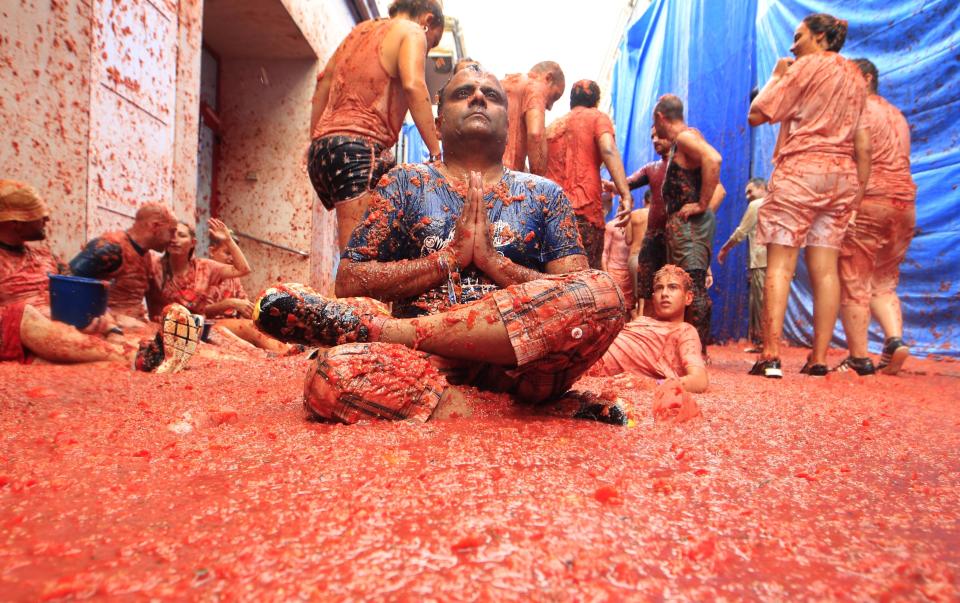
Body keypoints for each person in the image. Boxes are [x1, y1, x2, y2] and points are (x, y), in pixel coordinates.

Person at [253, 66, 628, 425]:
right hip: (423, 363)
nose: (478, 97)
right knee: (328, 375)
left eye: (492, 96)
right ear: (437, 123)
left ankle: (379, 330)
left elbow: (580, 296)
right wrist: (445, 260)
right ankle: (525, 414)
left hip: (524, 365)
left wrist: (497, 264)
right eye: (464, 93)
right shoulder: (404, 183)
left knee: (606, 295)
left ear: (508, 123)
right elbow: (349, 280)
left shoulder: (545, 194)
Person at [748, 13, 870, 378]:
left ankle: (770, 355)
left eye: (798, 36)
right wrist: (858, 195)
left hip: (801, 171)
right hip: (841, 177)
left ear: (819, 37)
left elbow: (758, 112)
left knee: (781, 265)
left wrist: (777, 75)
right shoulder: (856, 77)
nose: (792, 45)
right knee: (826, 270)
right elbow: (862, 142)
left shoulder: (803, 67)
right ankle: (818, 359)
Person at [0, 180, 196, 372]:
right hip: (21, 334)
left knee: (105, 365)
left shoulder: (46, 256)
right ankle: (136, 358)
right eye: (39, 215)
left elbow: (80, 292)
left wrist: (110, 328)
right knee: (24, 313)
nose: (47, 219)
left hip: (66, 335)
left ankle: (136, 358)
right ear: (16, 223)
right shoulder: (111, 247)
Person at [309, 0, 445, 250]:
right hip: (359, 150)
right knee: (358, 258)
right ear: (427, 21)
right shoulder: (412, 31)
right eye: (432, 44)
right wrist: (436, 151)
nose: (427, 51)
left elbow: (323, 81)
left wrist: (314, 139)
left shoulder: (359, 31)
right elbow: (414, 85)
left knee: (375, 248)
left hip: (322, 152)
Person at [836, 58, 917, 376]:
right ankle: (894, 341)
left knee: (855, 280)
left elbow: (856, 157)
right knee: (884, 279)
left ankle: (858, 357)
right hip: (905, 204)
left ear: (867, 78)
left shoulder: (858, 111)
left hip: (870, 200)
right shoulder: (897, 115)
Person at [149, 220, 295, 355]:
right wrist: (228, 303)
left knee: (253, 329)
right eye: (172, 235)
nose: (175, 239)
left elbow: (244, 270)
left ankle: (289, 352)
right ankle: (280, 355)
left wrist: (228, 240)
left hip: (206, 326)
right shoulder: (154, 266)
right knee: (235, 337)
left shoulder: (205, 267)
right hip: (183, 326)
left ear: (192, 243)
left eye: (181, 235)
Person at [653, 94, 723, 354]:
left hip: (690, 228)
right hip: (683, 229)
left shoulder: (684, 137)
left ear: (660, 117)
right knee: (684, 285)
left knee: (692, 286)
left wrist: (702, 204)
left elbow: (714, 159)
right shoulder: (681, 143)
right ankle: (688, 348)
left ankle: (698, 353)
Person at [545, 79, 632, 269]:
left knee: (555, 281)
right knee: (587, 280)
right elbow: (608, 149)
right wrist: (625, 193)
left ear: (571, 101)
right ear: (596, 101)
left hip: (551, 214)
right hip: (585, 213)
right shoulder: (597, 117)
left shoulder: (551, 127)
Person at [591, 265, 708, 393]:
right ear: (653, 298)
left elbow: (699, 380)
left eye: (673, 287)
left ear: (688, 297)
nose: (664, 294)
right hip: (585, 348)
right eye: (659, 288)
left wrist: (655, 384)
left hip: (586, 364)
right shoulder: (642, 321)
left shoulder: (684, 330)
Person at [69, 202, 178, 327]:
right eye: (172, 232)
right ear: (155, 226)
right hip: (109, 331)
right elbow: (66, 283)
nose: (174, 239)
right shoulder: (111, 247)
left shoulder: (146, 255)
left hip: (137, 328)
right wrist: (114, 317)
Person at [606, 128, 670, 314]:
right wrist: (615, 186)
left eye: (660, 134)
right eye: (652, 136)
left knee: (647, 298)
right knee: (649, 296)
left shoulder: (685, 164)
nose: (655, 140)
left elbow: (628, 241)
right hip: (650, 248)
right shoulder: (652, 169)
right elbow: (627, 182)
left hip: (672, 241)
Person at [717, 178, 768, 351]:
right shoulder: (780, 204)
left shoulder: (757, 205)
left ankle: (762, 343)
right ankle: (769, 342)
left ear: (762, 188)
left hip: (761, 261)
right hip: (779, 264)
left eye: (750, 191)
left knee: (760, 304)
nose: (747, 196)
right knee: (772, 303)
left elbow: (741, 232)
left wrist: (725, 248)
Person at [501, 62, 565, 175]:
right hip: (504, 177)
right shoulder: (535, 86)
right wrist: (539, 184)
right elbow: (536, 135)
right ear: (548, 78)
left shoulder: (504, 83)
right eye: (554, 96)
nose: (550, 107)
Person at [603, 190, 648, 316]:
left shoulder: (636, 223)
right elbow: (605, 253)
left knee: (630, 308)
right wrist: (606, 275)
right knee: (615, 308)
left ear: (632, 204)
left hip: (629, 272)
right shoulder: (611, 225)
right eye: (621, 203)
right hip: (614, 272)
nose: (623, 205)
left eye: (626, 203)